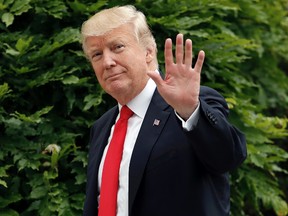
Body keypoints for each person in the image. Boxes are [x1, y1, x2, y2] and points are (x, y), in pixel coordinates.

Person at [81, 5, 247, 216]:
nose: (107, 62)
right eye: (97, 54)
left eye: (118, 47)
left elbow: (228, 157)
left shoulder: (190, 106)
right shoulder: (102, 127)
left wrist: (190, 111)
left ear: (148, 52)